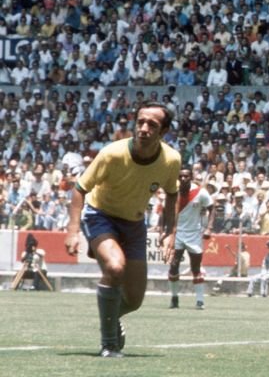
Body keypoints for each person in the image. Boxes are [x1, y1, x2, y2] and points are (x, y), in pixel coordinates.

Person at [65, 101, 181, 358]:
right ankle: (109, 344)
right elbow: (80, 189)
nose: (143, 128)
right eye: (140, 121)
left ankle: (109, 317)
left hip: (134, 225)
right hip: (99, 216)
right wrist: (73, 230)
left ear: (163, 132)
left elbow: (173, 194)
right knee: (115, 268)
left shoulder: (171, 159)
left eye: (152, 124)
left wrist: (170, 232)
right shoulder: (112, 154)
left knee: (135, 299)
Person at [168, 167, 213, 309]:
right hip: (178, 234)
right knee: (174, 265)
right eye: (180, 176)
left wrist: (209, 227)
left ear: (191, 177)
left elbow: (212, 207)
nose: (183, 179)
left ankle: (200, 301)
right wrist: (166, 231)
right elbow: (166, 210)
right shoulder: (173, 191)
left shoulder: (200, 192)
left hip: (194, 234)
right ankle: (174, 298)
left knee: (195, 267)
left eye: (186, 176)